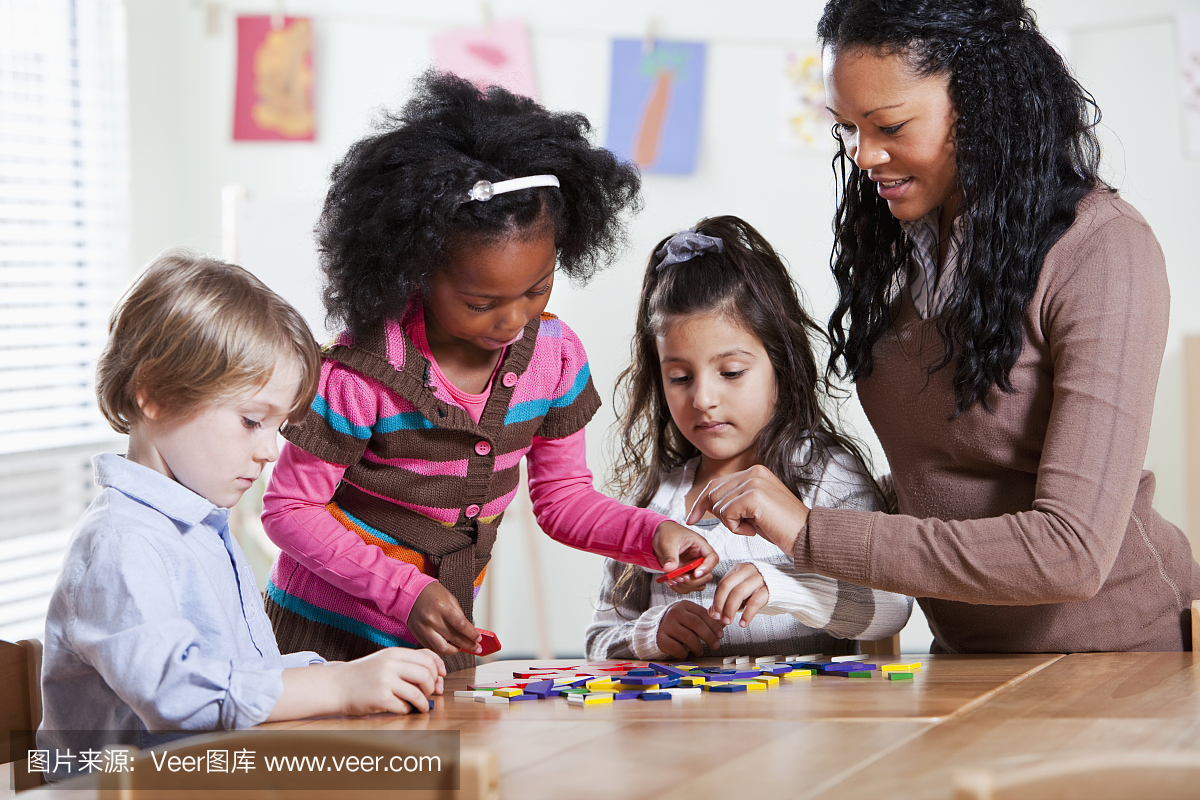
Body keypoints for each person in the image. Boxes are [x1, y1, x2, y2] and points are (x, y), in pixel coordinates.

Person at [690, 0, 1200, 653]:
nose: (864, 154)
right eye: (845, 126)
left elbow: (1072, 553)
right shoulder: (904, 252)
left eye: (890, 125)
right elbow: (936, 477)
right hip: (965, 661)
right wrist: (779, 517)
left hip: (1120, 659)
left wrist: (811, 530)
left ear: (981, 101)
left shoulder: (1102, 251)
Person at [262, 71, 717, 673]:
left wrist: (649, 536)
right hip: (316, 643)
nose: (512, 320)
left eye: (536, 289)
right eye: (481, 303)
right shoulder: (360, 373)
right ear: (417, 268)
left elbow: (561, 499)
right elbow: (289, 511)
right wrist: (405, 591)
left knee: (445, 771)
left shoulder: (555, 359)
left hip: (435, 648)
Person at [38, 252, 446, 771]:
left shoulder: (197, 524)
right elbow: (178, 695)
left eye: (277, 427)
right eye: (252, 420)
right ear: (155, 395)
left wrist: (361, 673)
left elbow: (241, 674)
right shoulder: (124, 541)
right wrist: (338, 686)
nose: (270, 451)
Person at [586, 217, 911, 661]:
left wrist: (784, 587)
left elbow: (892, 608)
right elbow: (600, 638)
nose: (703, 399)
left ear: (780, 362)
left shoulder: (826, 476)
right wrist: (651, 633)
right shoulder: (658, 502)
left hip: (812, 727)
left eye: (732, 373)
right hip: (688, 728)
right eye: (679, 377)